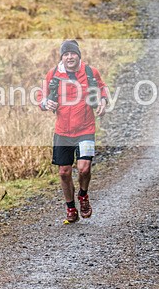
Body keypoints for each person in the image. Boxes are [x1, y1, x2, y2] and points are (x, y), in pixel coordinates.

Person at [37, 40, 109, 224]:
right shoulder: (53, 75)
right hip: (62, 131)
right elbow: (41, 97)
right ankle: (70, 207)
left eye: (73, 54)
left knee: (84, 168)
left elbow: (102, 89)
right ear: (62, 57)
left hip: (85, 128)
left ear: (78, 55)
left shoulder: (90, 72)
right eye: (66, 54)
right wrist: (46, 103)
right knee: (64, 172)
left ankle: (83, 196)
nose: (70, 57)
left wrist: (103, 101)